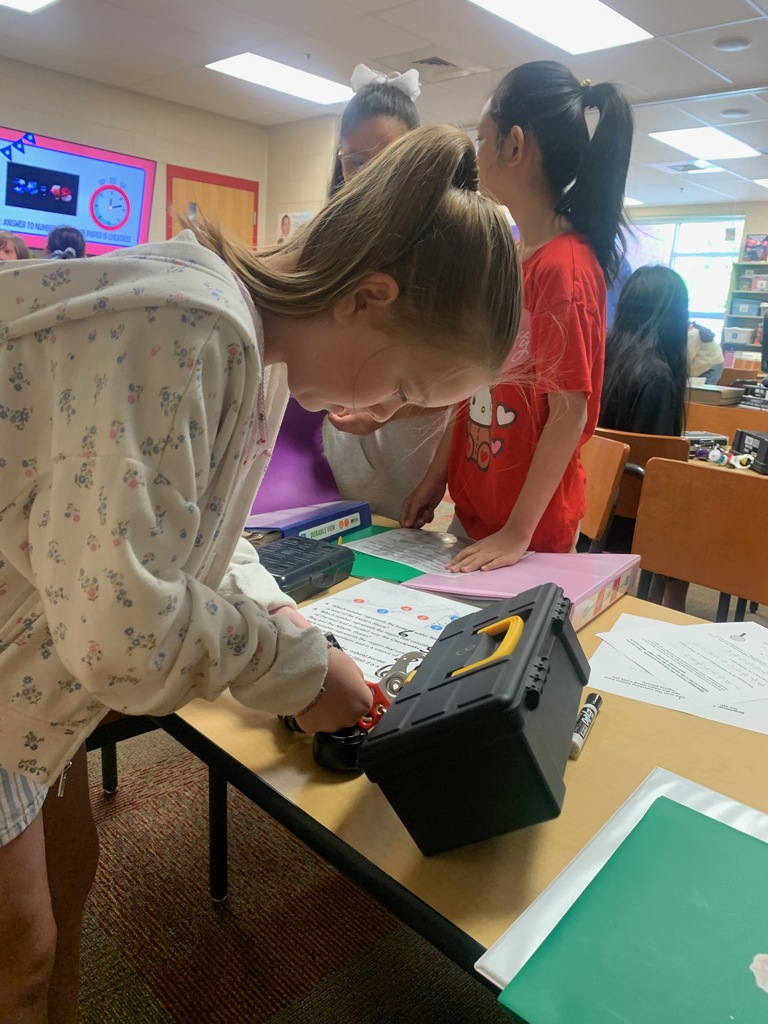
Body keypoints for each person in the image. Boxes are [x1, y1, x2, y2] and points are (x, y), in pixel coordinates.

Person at [0, 124, 522, 1023]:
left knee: (71, 875)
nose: (382, 412)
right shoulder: (197, 326)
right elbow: (121, 637)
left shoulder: (258, 348)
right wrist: (295, 672)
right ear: (368, 298)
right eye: (403, 386)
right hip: (26, 641)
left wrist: (296, 638)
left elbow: (209, 542)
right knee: (22, 947)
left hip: (32, 652)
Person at [402, 61, 634, 572]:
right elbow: (472, 384)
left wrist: (518, 532)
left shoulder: (565, 269)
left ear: (514, 147)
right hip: (479, 513)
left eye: (482, 139)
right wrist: (436, 476)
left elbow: (569, 413)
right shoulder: (511, 256)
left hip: (532, 536)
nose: (476, 154)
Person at [600, 266, 690, 437]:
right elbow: (652, 456)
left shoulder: (601, 354)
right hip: (630, 463)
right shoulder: (658, 377)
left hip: (592, 461)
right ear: (677, 315)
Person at [687, 319, 724, 385]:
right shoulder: (695, 330)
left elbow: (687, 358)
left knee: (703, 393)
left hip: (709, 367)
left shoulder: (692, 334)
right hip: (713, 365)